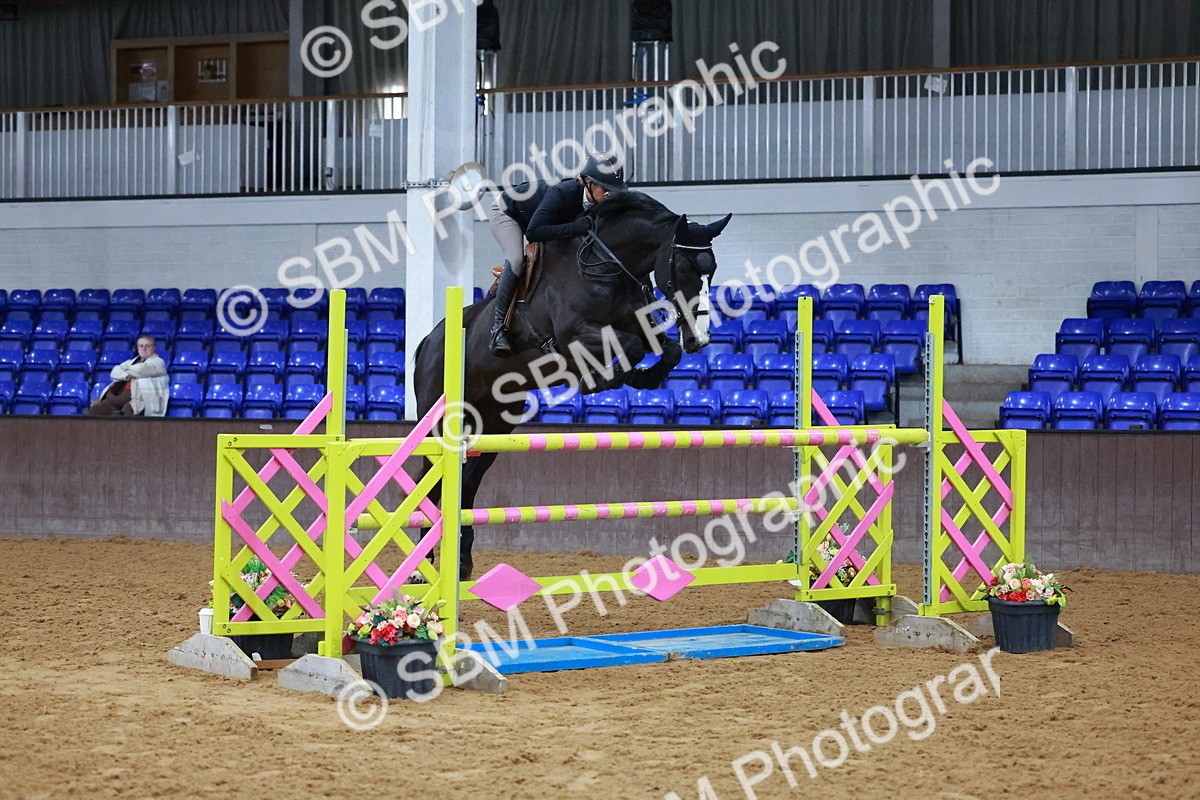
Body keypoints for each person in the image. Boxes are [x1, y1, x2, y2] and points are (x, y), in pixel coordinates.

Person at [487, 154, 627, 357]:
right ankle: (498, 328)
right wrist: (575, 227)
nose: (610, 195)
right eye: (605, 189)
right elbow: (534, 232)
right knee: (517, 260)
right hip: (507, 213)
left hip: (539, 219)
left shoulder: (599, 203)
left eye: (613, 191)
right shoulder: (564, 192)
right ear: (588, 183)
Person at [88, 335, 170, 417]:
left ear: (154, 347)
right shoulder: (131, 362)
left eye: (147, 346)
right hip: (118, 395)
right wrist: (128, 376)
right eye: (141, 346)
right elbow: (114, 372)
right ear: (137, 348)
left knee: (127, 412)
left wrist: (124, 369)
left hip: (140, 400)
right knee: (96, 410)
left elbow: (140, 370)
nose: (144, 349)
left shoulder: (158, 362)